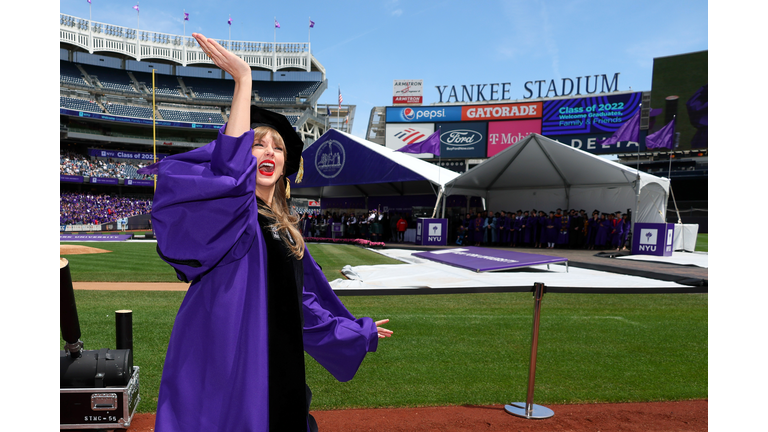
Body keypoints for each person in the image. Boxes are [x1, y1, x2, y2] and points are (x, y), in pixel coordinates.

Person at [137, 33, 391, 432]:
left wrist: (356, 331)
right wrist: (243, 80)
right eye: (258, 144)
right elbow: (227, 173)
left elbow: (303, 306)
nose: (270, 151)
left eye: (278, 147)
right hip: (227, 360)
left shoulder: (287, 233)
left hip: (278, 362)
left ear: (287, 166)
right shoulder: (232, 215)